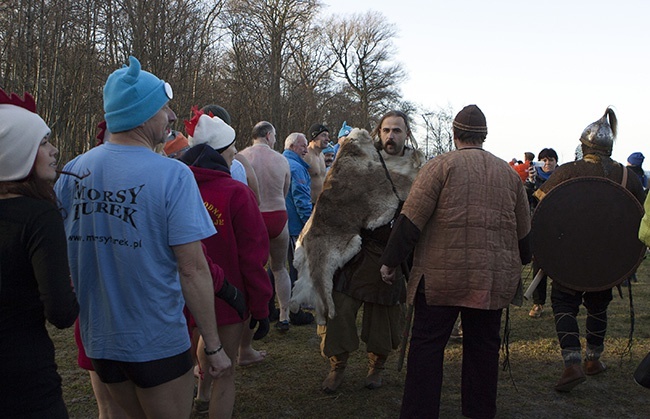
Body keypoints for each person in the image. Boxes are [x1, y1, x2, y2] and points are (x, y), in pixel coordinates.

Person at [54, 56, 230, 418]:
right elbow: (193, 269)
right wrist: (213, 346)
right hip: (156, 341)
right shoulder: (173, 176)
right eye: (163, 107)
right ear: (143, 112)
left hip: (99, 341)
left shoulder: (73, 172)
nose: (169, 116)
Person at [380, 105, 531, 419]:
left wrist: (390, 262)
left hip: (439, 281)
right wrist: (521, 260)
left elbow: (411, 221)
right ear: (484, 135)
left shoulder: (439, 166)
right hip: (489, 281)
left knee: (426, 350)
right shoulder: (508, 174)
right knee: (482, 352)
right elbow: (525, 238)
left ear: (454, 133)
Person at [533, 107, 645, 392]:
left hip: (570, 253)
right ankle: (593, 360)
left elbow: (542, 206)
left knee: (563, 302)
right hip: (606, 257)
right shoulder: (627, 176)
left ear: (584, 146)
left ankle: (572, 364)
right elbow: (640, 215)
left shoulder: (569, 170)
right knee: (598, 302)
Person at [318, 110, 424, 393]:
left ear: (407, 134)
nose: (391, 136)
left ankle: (377, 366)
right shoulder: (361, 161)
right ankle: (337, 366)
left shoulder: (418, 169)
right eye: (386, 130)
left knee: (384, 318)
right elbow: (336, 199)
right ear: (379, 132)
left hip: (391, 252)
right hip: (355, 250)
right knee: (339, 309)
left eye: (397, 131)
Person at [181, 107, 273, 418]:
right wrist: (261, 306)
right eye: (232, 151)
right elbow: (254, 258)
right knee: (226, 368)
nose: (235, 155)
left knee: (194, 355)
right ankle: (210, 398)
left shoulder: (178, 186)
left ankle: (200, 396)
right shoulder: (237, 193)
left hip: (182, 294)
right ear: (222, 153)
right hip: (227, 298)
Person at [0, 88, 80, 418]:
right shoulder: (38, 217)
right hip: (24, 379)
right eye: (44, 142)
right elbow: (61, 313)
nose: (54, 150)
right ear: (19, 151)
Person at [239, 121, 293, 331]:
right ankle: (284, 315)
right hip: (278, 214)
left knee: (254, 268)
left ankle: (257, 312)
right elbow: (285, 191)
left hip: (255, 216)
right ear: (269, 135)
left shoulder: (242, 157)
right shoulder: (281, 159)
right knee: (279, 268)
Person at [283, 133, 315, 326]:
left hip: (281, 223)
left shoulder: (280, 161)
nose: (306, 150)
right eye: (303, 146)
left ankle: (270, 305)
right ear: (294, 146)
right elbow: (301, 199)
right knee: (296, 266)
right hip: (294, 225)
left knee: (278, 267)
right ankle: (295, 309)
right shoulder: (296, 167)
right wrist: (309, 223)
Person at [524, 147, 559, 318]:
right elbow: (526, 199)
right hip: (539, 228)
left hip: (560, 228)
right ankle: (538, 303)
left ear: (555, 161)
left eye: (550, 160)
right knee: (539, 265)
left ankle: (561, 303)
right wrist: (530, 182)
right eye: (544, 160)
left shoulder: (562, 178)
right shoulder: (535, 178)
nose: (547, 163)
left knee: (561, 267)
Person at [304, 123, 329, 203]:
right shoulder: (306, 156)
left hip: (321, 204)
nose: (327, 139)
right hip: (309, 204)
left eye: (327, 136)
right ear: (314, 136)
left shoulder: (322, 156)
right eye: (323, 135)